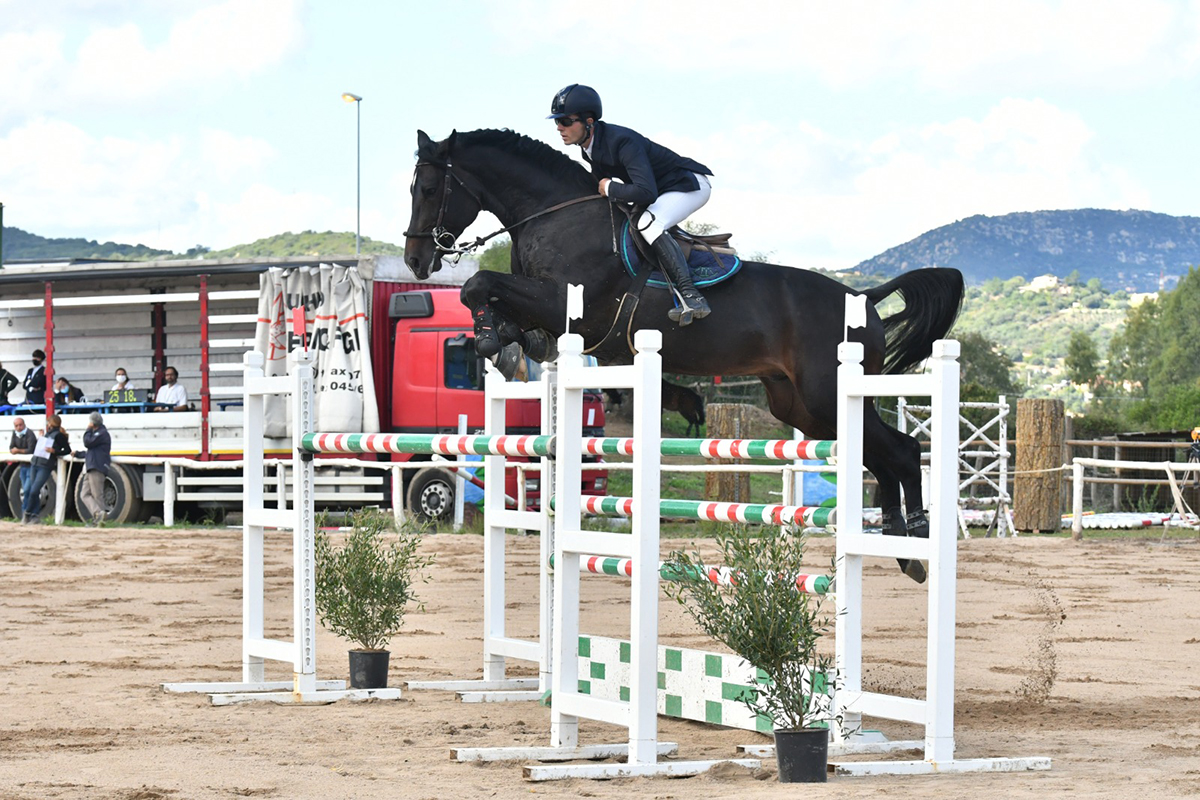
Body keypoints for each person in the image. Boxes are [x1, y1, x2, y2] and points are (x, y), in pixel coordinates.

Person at [549, 83, 714, 325]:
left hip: (688, 185)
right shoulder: (589, 149)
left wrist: (610, 188)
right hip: (663, 190)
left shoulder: (622, 141)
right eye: (557, 122)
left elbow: (645, 192)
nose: (559, 128)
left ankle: (691, 294)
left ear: (589, 122)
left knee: (648, 223)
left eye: (565, 121)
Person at [21, 414, 70, 524]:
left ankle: (28, 513)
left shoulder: (58, 436)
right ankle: (34, 515)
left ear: (51, 423)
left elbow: (67, 450)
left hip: (45, 466)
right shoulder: (48, 434)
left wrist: (54, 451)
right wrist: (41, 438)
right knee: (33, 490)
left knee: (34, 490)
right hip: (36, 463)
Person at [74, 411, 111, 525]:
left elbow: (87, 442)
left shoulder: (102, 433)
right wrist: (78, 454)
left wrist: (88, 429)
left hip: (97, 467)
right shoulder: (98, 434)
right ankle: (98, 514)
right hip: (90, 466)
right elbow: (91, 451)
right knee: (84, 494)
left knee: (97, 495)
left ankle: (100, 520)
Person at [9, 417, 36, 491]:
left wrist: (17, 450)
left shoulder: (30, 433)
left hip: (31, 465)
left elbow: (31, 450)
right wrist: (13, 451)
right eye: (16, 426)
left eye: (20, 425)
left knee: (27, 489)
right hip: (22, 465)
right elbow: (11, 447)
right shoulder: (15, 433)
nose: (18, 427)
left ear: (24, 424)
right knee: (25, 489)